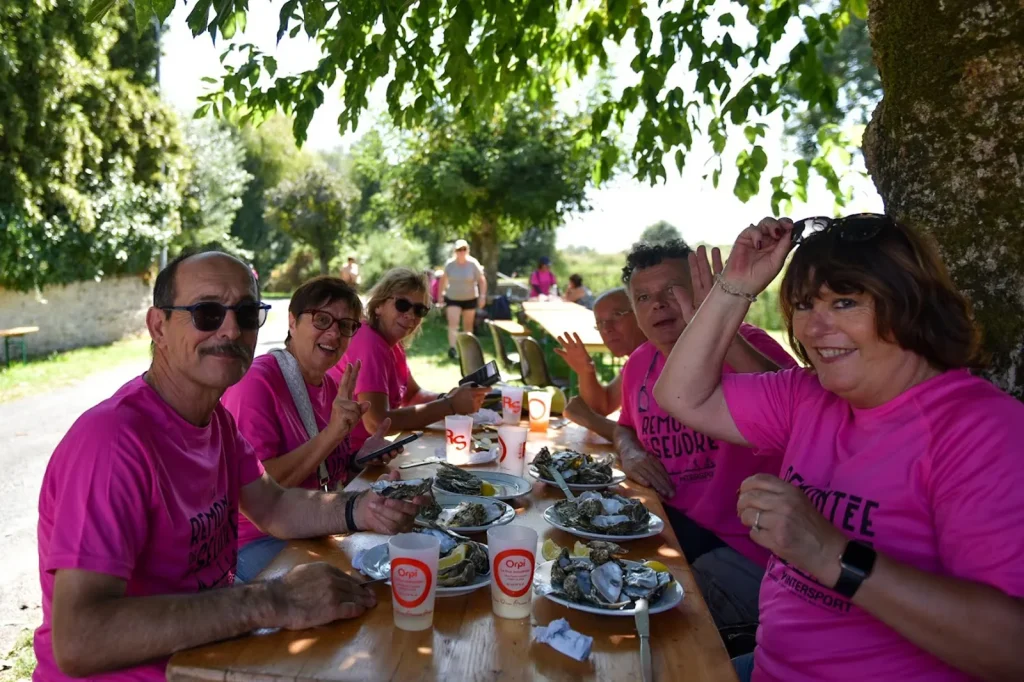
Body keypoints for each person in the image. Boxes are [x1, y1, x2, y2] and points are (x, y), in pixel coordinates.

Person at [654, 215, 1024, 682]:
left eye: (845, 301)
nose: (814, 327)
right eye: (805, 305)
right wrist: (735, 286)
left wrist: (831, 554)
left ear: (912, 303)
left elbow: (1012, 649)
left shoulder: (982, 430)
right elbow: (682, 396)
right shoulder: (810, 396)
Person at [33, 252, 427, 681]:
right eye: (206, 312)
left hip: (214, 660)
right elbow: (79, 639)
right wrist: (274, 600)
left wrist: (362, 508)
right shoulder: (112, 441)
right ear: (158, 326)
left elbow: (273, 506)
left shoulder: (215, 420)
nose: (231, 329)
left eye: (245, 313)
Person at [614, 238, 797, 631]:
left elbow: (797, 413)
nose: (658, 304)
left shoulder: (746, 344)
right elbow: (625, 426)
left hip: (750, 546)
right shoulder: (639, 363)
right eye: (643, 297)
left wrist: (718, 326)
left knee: (649, 622)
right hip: (673, 526)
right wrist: (630, 453)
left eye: (671, 290)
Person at [222, 276, 406, 583]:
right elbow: (262, 493)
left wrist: (358, 460)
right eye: (322, 320)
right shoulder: (257, 383)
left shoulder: (331, 386)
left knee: (403, 556)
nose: (334, 333)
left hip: (314, 526)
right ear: (292, 322)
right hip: (257, 543)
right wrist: (332, 434)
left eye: (346, 325)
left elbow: (323, 478)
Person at [328, 267, 490, 450]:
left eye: (420, 310)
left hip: (367, 454)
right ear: (379, 305)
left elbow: (413, 396)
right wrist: (450, 405)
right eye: (402, 305)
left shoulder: (392, 344)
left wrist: (451, 397)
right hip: (347, 462)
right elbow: (376, 422)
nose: (411, 315)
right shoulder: (369, 342)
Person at [555, 287, 647, 441]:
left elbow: (646, 437)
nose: (607, 329)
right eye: (600, 323)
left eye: (617, 316)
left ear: (641, 314)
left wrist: (590, 420)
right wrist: (585, 372)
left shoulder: (660, 358)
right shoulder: (636, 361)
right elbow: (602, 407)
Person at [438, 239, 487, 361]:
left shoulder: (473, 264)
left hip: (470, 298)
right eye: (459, 249)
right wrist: (440, 296)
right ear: (455, 251)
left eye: (464, 249)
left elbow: (481, 280)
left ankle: (467, 350)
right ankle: (452, 348)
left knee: (468, 326)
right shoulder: (450, 264)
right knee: (453, 323)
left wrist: (482, 296)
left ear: (467, 250)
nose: (462, 252)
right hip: (453, 298)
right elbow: (443, 280)